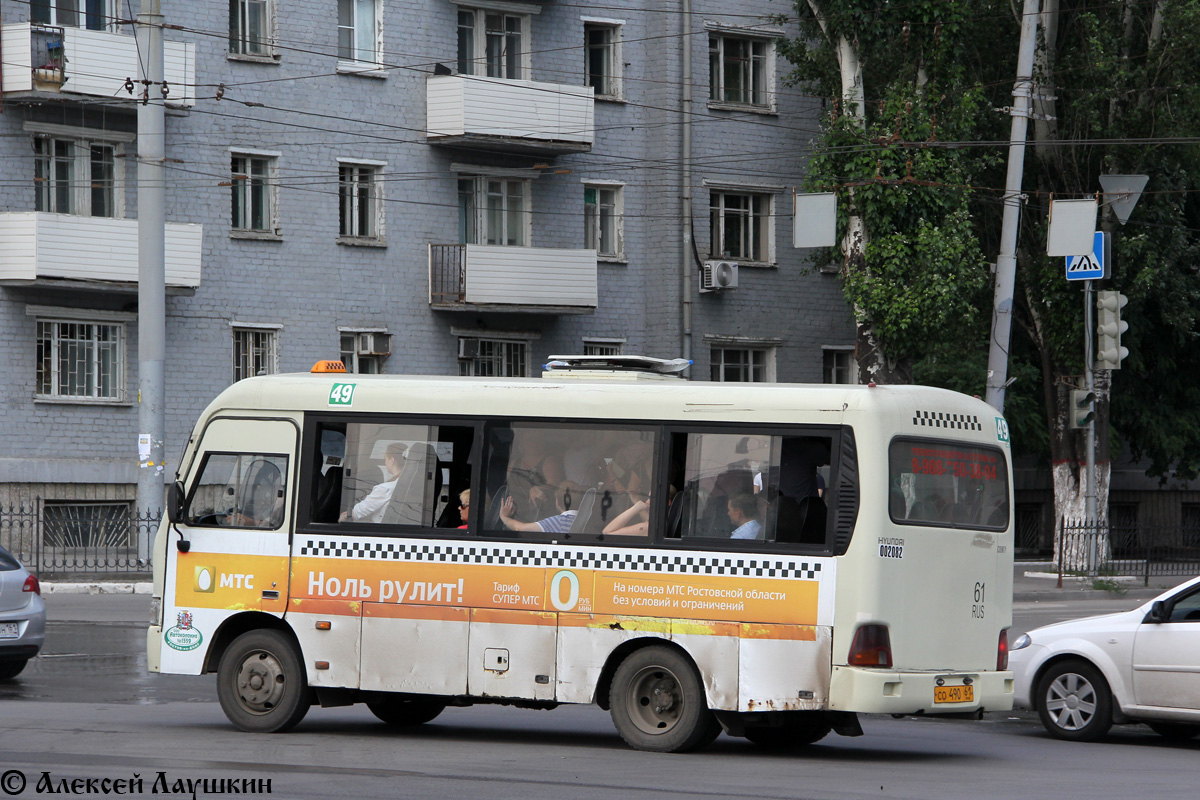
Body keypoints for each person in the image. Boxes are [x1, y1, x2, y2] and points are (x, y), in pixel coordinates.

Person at [340, 442, 407, 523]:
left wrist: (344, 517)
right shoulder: (407, 484)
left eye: (385, 459)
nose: (385, 463)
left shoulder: (385, 489)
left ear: (392, 460)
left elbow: (358, 512)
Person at [499, 482, 579, 533]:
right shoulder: (587, 520)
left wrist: (504, 517)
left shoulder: (559, 522)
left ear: (557, 501)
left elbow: (519, 528)